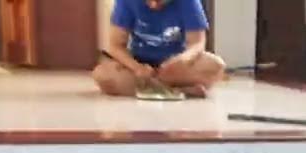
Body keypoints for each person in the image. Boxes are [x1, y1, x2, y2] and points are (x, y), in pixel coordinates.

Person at [93, 0, 226, 98]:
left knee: (216, 65)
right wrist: (137, 67)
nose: (154, 5)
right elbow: (115, 46)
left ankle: (153, 89)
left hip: (176, 68)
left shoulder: (189, 2)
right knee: (102, 74)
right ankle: (180, 91)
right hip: (141, 67)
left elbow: (197, 43)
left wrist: (183, 59)